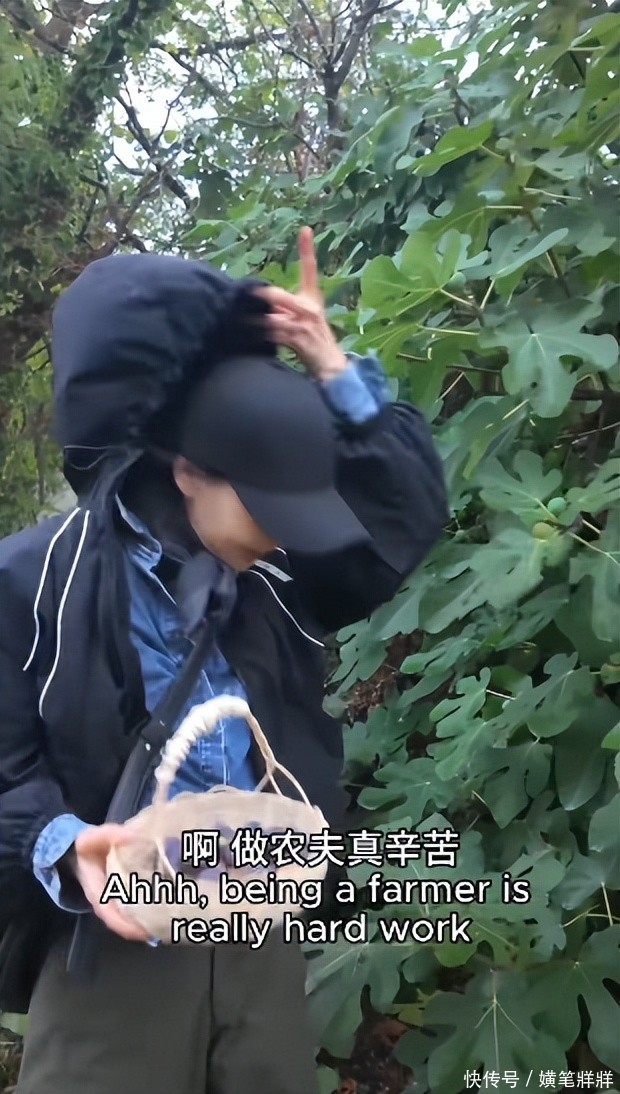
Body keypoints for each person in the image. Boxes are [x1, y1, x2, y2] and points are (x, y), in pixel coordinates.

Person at [0, 228, 449, 1094]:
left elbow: (401, 517)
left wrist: (330, 365)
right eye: (268, 502)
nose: (287, 531)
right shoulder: (33, 583)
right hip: (113, 953)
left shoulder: (278, 581)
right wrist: (65, 847)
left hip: (258, 930)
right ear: (186, 472)